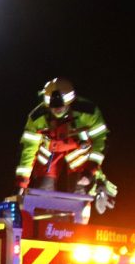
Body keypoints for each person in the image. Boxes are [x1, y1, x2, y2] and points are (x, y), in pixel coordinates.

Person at [16, 78, 116, 212]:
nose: (57, 109)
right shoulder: (36, 118)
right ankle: (47, 226)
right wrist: (21, 182)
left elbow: (101, 141)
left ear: (70, 102)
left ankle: (79, 224)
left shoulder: (88, 112)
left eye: (61, 106)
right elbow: (28, 150)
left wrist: (91, 171)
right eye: (54, 107)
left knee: (79, 192)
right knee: (43, 192)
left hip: (78, 154)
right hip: (49, 155)